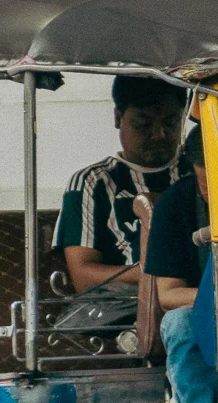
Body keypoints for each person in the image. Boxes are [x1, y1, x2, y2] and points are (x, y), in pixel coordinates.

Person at [55, 75, 188, 293]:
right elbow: (82, 276)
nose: (159, 135)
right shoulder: (91, 183)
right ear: (118, 118)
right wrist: (161, 273)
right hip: (124, 308)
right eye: (143, 125)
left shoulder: (197, 171)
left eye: (170, 123)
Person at [144, 126, 218, 403]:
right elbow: (168, 293)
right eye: (207, 184)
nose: (213, 192)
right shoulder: (177, 203)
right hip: (208, 311)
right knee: (179, 323)